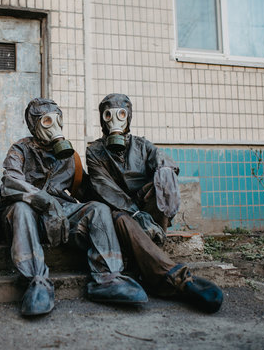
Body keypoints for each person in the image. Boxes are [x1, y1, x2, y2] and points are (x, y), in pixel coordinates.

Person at [0, 98, 148, 316]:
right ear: (34, 124)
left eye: (58, 120)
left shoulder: (69, 158)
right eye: (47, 122)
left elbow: (88, 190)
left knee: (98, 209)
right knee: (21, 209)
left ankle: (107, 278)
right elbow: (10, 183)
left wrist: (129, 205)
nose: (55, 127)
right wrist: (45, 201)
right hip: (29, 215)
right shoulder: (20, 149)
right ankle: (36, 282)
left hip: (61, 216)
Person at [86, 93, 223, 313]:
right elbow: (104, 188)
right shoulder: (94, 151)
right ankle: (178, 279)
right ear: (102, 118)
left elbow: (164, 160)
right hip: (122, 213)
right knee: (118, 217)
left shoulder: (142, 145)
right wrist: (135, 213)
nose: (115, 120)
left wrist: (165, 170)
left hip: (148, 210)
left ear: (129, 116)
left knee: (164, 176)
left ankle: (156, 239)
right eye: (108, 114)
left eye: (121, 114)